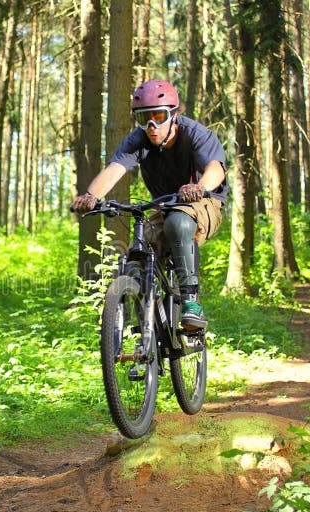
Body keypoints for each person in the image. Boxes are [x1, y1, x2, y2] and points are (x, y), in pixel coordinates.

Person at [72, 79, 228, 331]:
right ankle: (148, 330)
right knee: (137, 257)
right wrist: (91, 196)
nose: (152, 126)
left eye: (159, 116)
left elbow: (215, 169)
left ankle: (190, 302)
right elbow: (115, 169)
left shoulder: (195, 134)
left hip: (204, 200)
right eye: (144, 118)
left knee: (178, 223)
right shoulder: (138, 140)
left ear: (174, 115)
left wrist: (199, 187)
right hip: (164, 205)